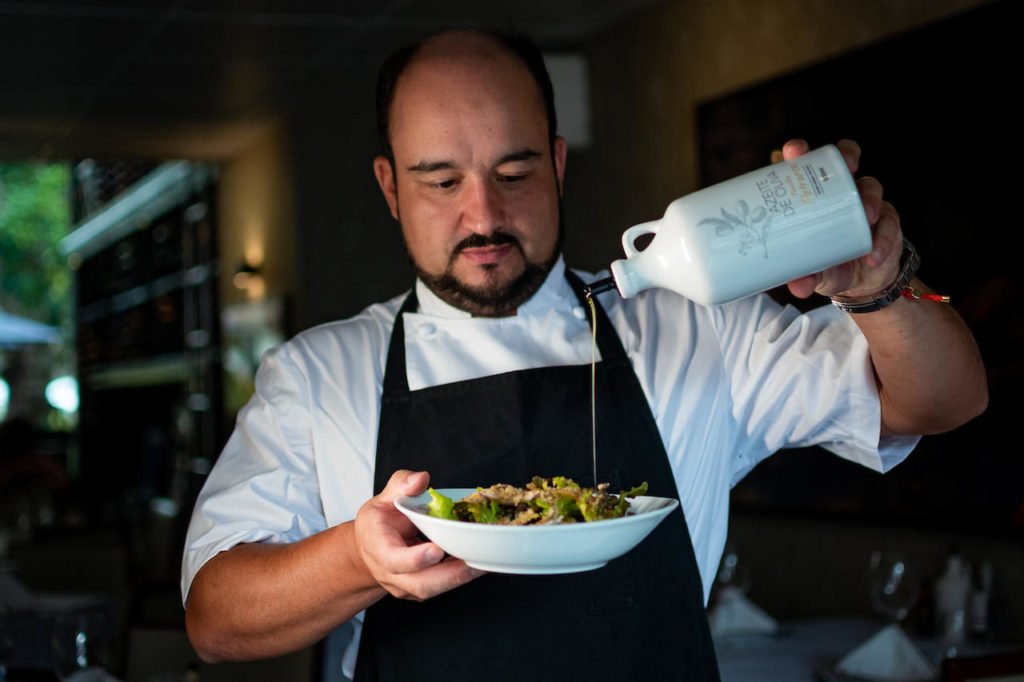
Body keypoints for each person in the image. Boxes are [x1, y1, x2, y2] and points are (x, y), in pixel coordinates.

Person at [181, 28, 987, 681]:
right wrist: (359, 559)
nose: (484, 215)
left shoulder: (692, 327)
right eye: (440, 182)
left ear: (558, 165)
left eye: (515, 170)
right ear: (390, 188)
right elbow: (215, 620)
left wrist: (879, 282)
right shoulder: (321, 374)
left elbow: (943, 401)